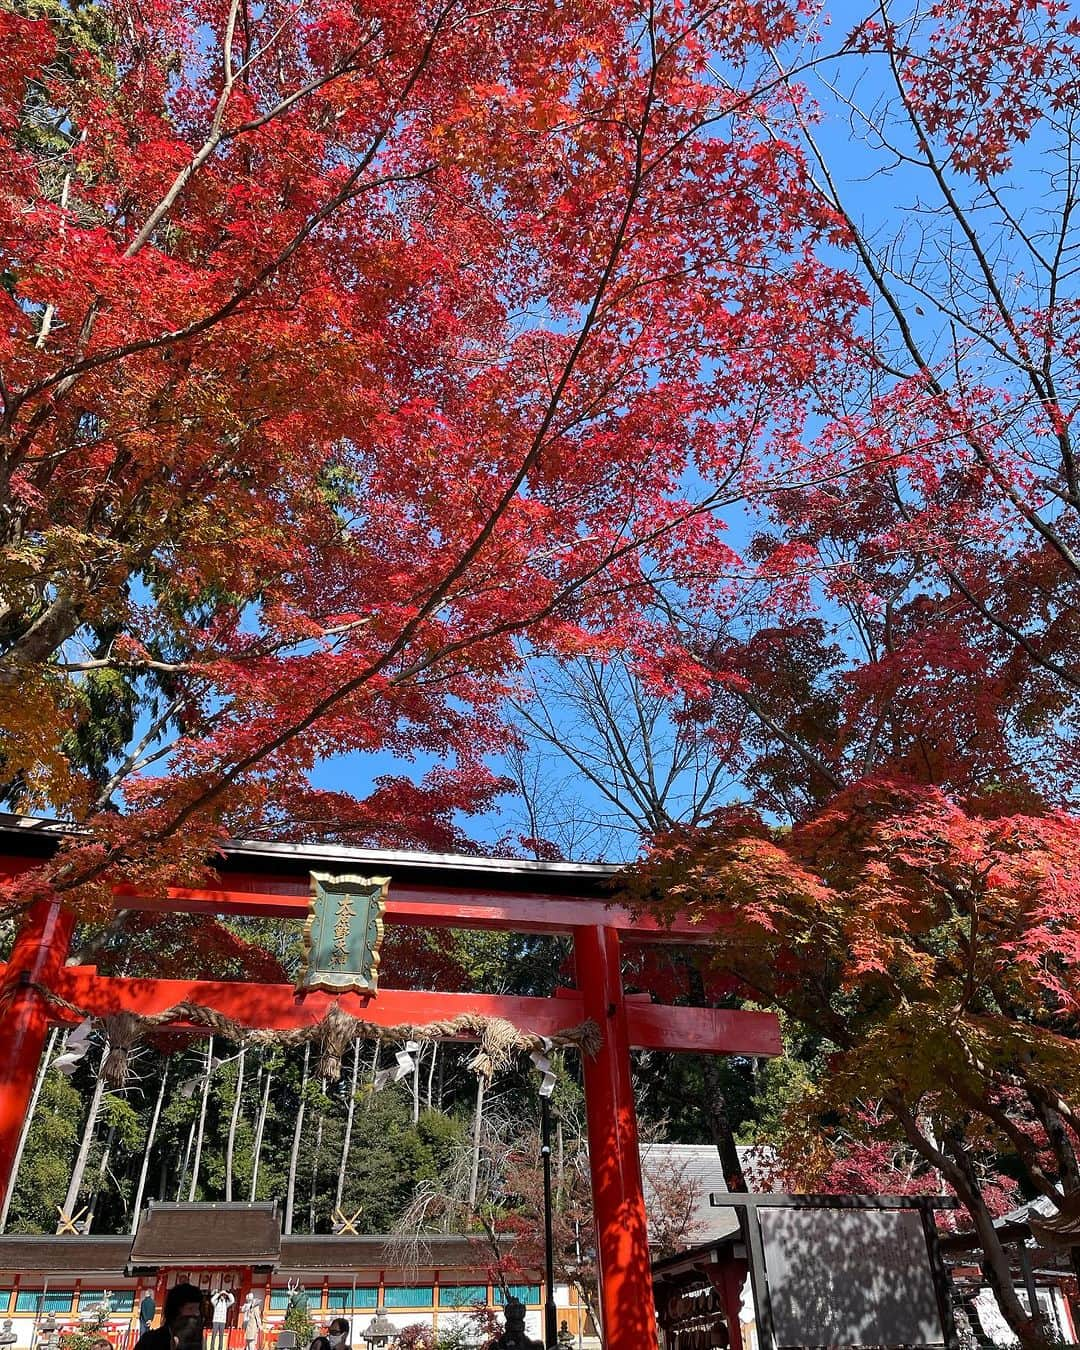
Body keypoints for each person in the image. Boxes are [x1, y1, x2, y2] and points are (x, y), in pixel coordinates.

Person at [134, 1283, 205, 1350]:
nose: (196, 1313)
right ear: (175, 1311)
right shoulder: (151, 1340)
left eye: (198, 1309)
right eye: (191, 1308)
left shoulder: (196, 1343)